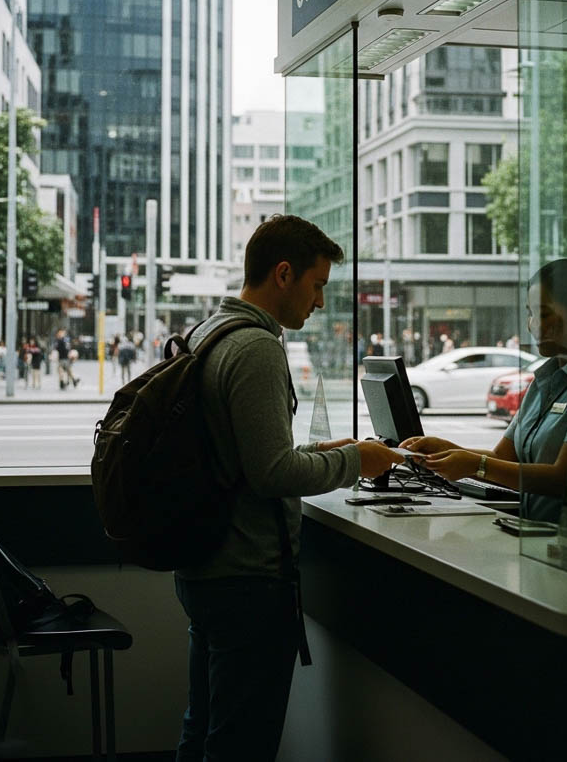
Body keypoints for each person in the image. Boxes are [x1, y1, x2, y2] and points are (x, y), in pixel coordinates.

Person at [173, 214, 396, 762]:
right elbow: (270, 474)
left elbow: (243, 455)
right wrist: (356, 460)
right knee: (240, 745)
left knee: (202, 726)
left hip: (204, 564)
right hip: (247, 578)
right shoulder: (256, 348)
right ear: (283, 274)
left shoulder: (209, 332)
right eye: (317, 285)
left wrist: (321, 454)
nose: (319, 302)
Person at [401, 259, 567, 523]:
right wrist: (443, 450)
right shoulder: (543, 380)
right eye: (530, 313)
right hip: (536, 536)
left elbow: (563, 478)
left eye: (544, 314)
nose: (533, 325)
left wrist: (474, 465)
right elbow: (503, 458)